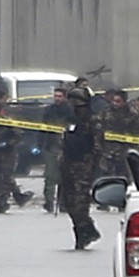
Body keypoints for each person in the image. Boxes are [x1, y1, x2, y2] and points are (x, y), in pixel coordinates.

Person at [60, 87, 103, 249]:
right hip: (68, 164)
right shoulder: (71, 120)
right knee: (68, 202)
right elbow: (64, 140)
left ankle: (84, 233)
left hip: (84, 166)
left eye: (78, 104)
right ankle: (85, 231)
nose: (76, 107)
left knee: (80, 202)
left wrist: (90, 163)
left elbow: (98, 145)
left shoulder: (93, 121)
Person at [41, 87, 74, 213]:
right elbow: (43, 127)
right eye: (55, 96)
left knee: (65, 177)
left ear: (65, 97)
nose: (57, 99)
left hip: (66, 147)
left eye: (59, 96)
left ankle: (63, 203)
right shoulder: (49, 110)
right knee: (50, 175)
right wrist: (41, 144)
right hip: (50, 146)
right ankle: (48, 201)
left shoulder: (70, 111)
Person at [96, 89, 139, 179]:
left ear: (124, 102)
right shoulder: (106, 112)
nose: (115, 104)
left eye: (118, 101)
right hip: (107, 153)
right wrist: (99, 148)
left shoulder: (133, 115)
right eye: (113, 101)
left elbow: (138, 135)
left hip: (125, 155)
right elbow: (99, 130)